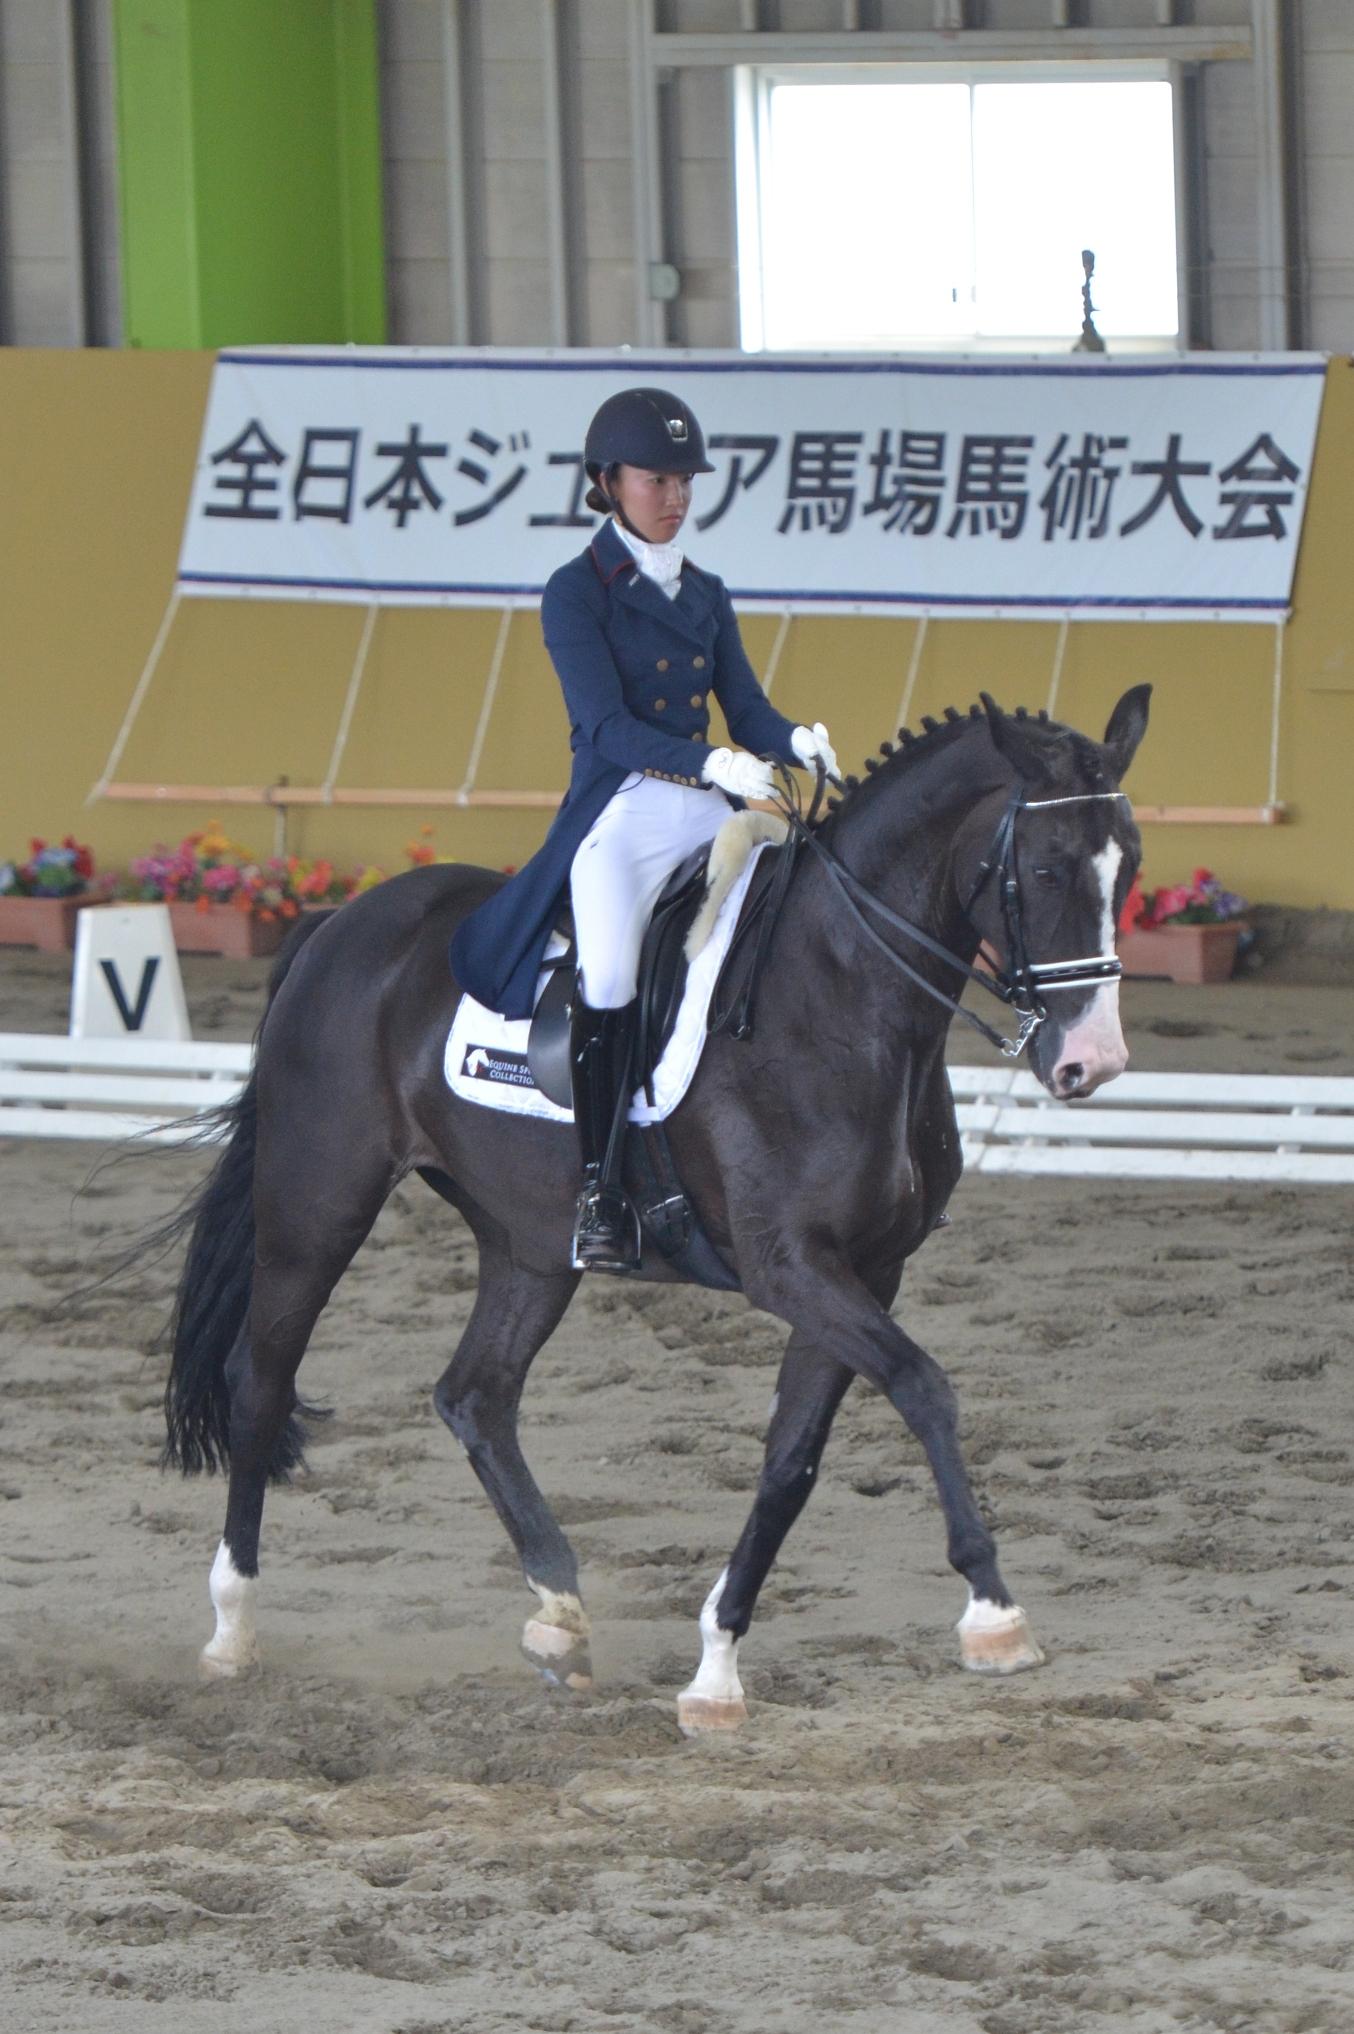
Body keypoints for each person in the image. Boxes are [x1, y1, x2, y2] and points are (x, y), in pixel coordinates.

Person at [450, 386, 838, 1273]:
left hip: (705, 810)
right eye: (657, 479)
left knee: (785, 922)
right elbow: (605, 729)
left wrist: (796, 741)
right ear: (608, 482)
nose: (675, 496)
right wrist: (713, 765)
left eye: (684, 480)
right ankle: (598, 1188)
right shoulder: (575, 592)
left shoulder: (703, 592)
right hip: (620, 811)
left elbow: (744, 706)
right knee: (614, 972)